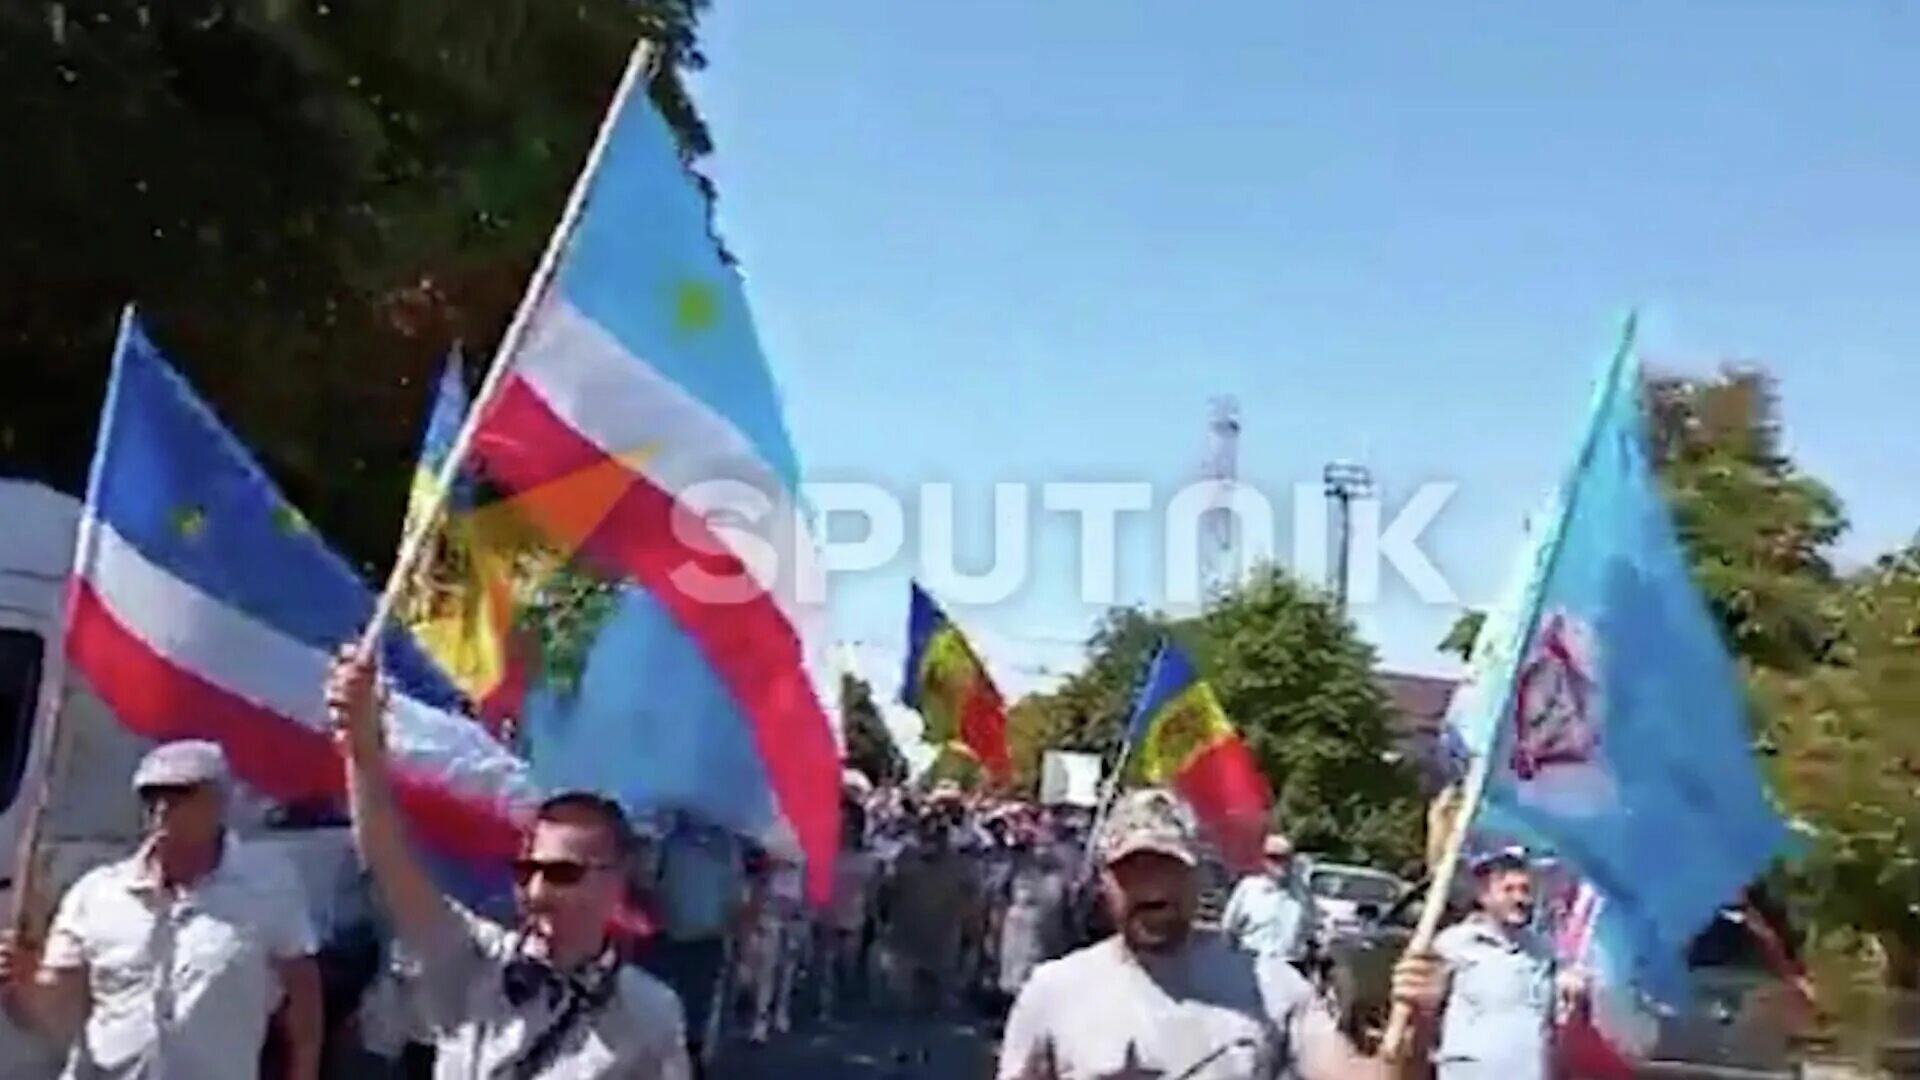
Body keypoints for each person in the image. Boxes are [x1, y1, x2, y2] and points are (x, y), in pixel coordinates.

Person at [326, 648, 690, 1079]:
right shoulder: (471, 959)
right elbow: (387, 860)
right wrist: (364, 750)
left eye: (563, 875)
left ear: (615, 881)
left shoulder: (650, 1015)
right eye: (527, 872)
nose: (537, 892)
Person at [997, 789, 1445, 1080]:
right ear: (1103, 883)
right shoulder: (1054, 993)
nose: (1152, 888)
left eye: (1168, 869)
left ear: (1199, 879)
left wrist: (1419, 1023)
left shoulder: (1273, 988)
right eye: (1133, 872)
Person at [0, 739, 322, 1080]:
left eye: (180, 794)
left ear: (217, 803)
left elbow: (302, 994)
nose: (163, 808)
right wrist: (22, 983)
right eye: (151, 797)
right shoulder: (96, 894)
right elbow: (55, 1010)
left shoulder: (268, 886)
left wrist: (304, 1070)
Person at [1432, 847, 1585, 1080]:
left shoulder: (1543, 951)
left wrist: (1573, 990)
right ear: (1484, 896)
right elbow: (1423, 1009)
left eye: (1525, 890)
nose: (1520, 899)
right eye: (1508, 890)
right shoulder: (1454, 945)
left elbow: (1558, 1016)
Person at [1221, 833, 1319, 966]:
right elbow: (1229, 929)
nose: (1281, 864)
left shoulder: (1302, 893)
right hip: (1251, 962)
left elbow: (1312, 931)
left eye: (1286, 858)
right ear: (1264, 860)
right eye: (1274, 858)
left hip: (1288, 966)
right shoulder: (1248, 888)